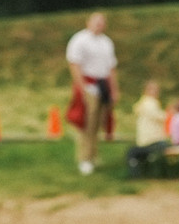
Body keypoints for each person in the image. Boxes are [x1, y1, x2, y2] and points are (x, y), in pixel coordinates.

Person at [64, 12, 117, 176]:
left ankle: (93, 155)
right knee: (87, 123)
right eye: (96, 22)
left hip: (102, 85)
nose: (99, 25)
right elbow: (75, 64)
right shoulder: (80, 40)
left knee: (98, 122)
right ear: (88, 23)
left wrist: (114, 89)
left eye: (102, 23)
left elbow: (111, 68)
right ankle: (84, 158)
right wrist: (82, 87)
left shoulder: (106, 42)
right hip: (89, 85)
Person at [126, 79, 169, 175]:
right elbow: (160, 116)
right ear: (146, 91)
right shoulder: (150, 103)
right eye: (153, 90)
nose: (156, 92)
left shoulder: (143, 103)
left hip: (145, 140)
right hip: (153, 140)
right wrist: (169, 115)